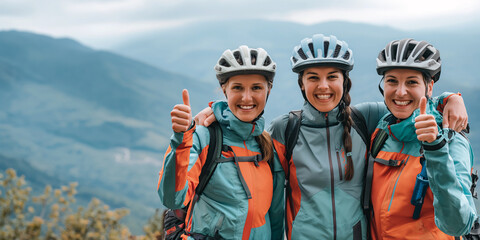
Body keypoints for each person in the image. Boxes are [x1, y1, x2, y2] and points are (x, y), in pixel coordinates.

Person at [194, 34, 468, 240]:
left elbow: (407, 104)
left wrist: (450, 100)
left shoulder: (366, 119)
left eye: (332, 77)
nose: (323, 86)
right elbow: (247, 133)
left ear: (344, 81)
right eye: (313, 77)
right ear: (302, 84)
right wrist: (216, 114)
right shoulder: (284, 130)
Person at [157, 45, 284, 239]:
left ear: (268, 90)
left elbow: (275, 216)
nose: (247, 97)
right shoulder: (205, 138)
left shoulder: (267, 146)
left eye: (256, 87)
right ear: (225, 90)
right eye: (237, 88)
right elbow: (173, 198)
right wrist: (181, 140)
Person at [369, 38, 477, 239]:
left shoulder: (452, 140)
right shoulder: (382, 127)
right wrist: (451, 97)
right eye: (392, 81)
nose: (400, 92)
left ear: (429, 87)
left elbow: (458, 225)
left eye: (412, 82)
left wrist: (435, 149)